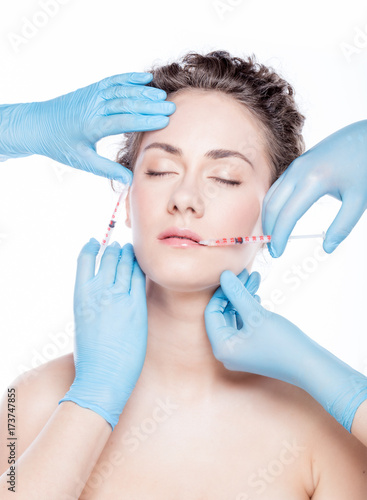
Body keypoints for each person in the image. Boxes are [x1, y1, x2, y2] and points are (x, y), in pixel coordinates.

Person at [0, 51, 366, 499]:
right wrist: (92, 401)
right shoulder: (29, 400)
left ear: (279, 208)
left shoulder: (322, 429)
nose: (185, 197)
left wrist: (342, 390)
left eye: (226, 177)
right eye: (160, 170)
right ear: (128, 195)